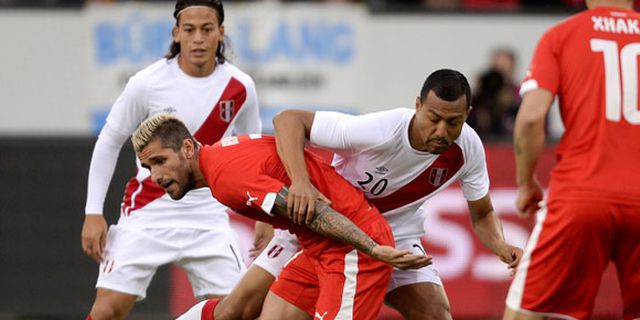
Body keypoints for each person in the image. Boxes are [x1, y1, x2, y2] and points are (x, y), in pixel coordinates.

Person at [179, 69, 523, 320]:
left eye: (454, 122)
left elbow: (482, 214)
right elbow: (288, 121)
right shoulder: (379, 130)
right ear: (417, 105)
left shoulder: (469, 149)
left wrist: (502, 247)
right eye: (433, 118)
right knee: (236, 310)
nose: (441, 131)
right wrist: (300, 183)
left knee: (435, 315)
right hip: (323, 228)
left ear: (467, 116)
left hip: (396, 240)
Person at [132, 113, 432, 320]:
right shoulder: (222, 155)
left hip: (352, 248)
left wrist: (371, 247)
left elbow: (314, 212)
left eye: (160, 161)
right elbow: (273, 170)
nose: (156, 176)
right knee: (235, 310)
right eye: (148, 168)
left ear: (186, 148)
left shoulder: (225, 178)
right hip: (318, 248)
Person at [80, 1, 263, 319]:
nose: (198, 39)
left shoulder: (240, 87)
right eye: (189, 30)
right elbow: (109, 140)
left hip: (208, 215)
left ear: (220, 33)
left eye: (207, 30)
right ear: (176, 33)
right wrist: (93, 212)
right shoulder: (147, 83)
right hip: (148, 211)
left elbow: (254, 151)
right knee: (107, 310)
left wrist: (263, 215)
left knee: (238, 312)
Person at [503, 1, 640, 319]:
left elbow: (531, 116)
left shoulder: (562, 35)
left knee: (529, 312)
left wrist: (526, 183)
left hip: (581, 195)